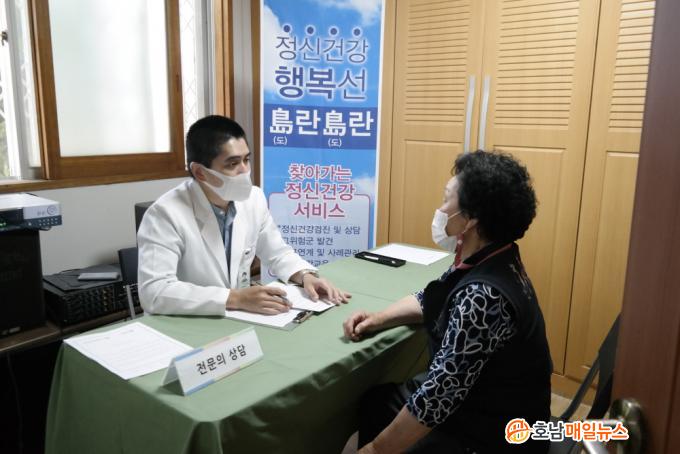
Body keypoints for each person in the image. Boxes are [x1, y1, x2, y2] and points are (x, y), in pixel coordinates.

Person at [343, 151, 552, 453]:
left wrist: (375, 450)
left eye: (446, 200)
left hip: (493, 435)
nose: (440, 210)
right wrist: (378, 318)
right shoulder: (494, 255)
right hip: (482, 404)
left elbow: (438, 397)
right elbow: (433, 299)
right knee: (377, 403)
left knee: (385, 415)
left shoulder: (483, 296)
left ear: (471, 219)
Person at [138, 115, 350, 316]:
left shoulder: (253, 199)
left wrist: (305, 276)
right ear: (200, 172)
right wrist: (235, 298)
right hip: (185, 322)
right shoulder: (164, 214)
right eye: (232, 163)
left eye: (246, 160)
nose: (244, 170)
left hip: (237, 319)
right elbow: (154, 292)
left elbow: (277, 253)